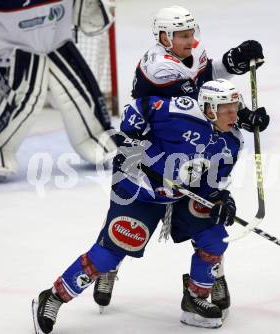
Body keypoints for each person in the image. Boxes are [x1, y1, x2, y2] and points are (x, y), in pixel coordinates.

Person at [31, 79, 270, 332]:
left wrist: (222, 201)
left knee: (214, 236)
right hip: (139, 188)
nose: (235, 116)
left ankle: (195, 298)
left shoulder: (232, 142)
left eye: (236, 108)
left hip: (181, 194)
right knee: (113, 249)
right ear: (210, 108)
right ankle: (53, 296)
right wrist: (130, 139)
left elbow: (212, 185)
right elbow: (139, 107)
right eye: (228, 110)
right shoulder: (181, 112)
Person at [93, 5, 266, 318]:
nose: (190, 39)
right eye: (181, 35)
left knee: (210, 213)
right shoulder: (158, 67)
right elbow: (199, 105)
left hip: (185, 152)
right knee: (128, 219)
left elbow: (207, 79)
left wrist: (232, 61)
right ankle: (110, 262)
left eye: (190, 33)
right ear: (163, 37)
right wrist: (241, 114)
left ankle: (212, 276)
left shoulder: (189, 53)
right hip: (149, 156)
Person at [0, 0, 117, 179]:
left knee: (79, 92)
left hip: (57, 39)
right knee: (24, 98)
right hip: (16, 48)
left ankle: (96, 137)